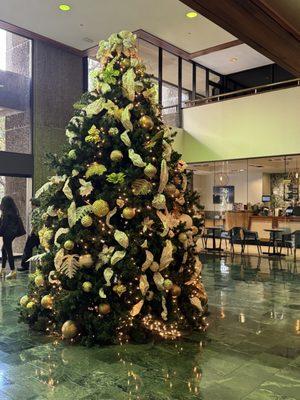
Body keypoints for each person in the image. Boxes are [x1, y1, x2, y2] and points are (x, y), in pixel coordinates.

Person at [0, 196, 26, 279]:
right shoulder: (13, 212)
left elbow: (3, 226)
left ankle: (13, 270)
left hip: (6, 234)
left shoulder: (6, 213)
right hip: (11, 234)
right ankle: (2, 269)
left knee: (8, 251)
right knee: (3, 250)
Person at [18, 198, 40, 272]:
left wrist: (31, 232)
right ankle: (42, 265)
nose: (31, 205)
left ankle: (24, 266)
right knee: (40, 249)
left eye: (31, 204)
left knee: (27, 249)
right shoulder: (41, 210)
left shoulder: (35, 211)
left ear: (34, 204)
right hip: (40, 233)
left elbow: (35, 223)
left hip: (34, 233)